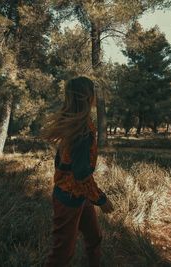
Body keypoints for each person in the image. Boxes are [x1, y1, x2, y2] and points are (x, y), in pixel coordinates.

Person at [41, 76, 113, 267]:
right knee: (62, 255)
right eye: (93, 93)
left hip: (80, 195)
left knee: (94, 237)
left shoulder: (77, 124)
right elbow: (81, 174)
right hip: (68, 199)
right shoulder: (81, 131)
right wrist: (101, 199)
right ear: (87, 97)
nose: (96, 97)